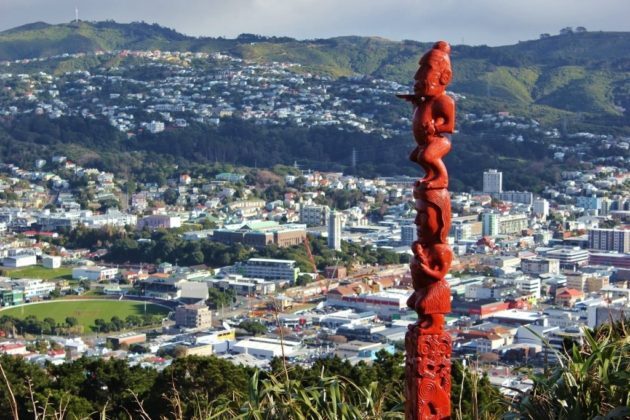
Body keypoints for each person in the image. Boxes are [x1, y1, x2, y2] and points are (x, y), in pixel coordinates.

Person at [398, 41, 455, 190]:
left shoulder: (444, 101)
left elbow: (449, 126)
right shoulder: (425, 102)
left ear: (445, 77)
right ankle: (431, 176)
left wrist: (435, 127)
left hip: (440, 141)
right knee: (416, 157)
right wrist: (415, 103)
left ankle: (442, 179)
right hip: (426, 141)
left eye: (426, 69)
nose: (417, 77)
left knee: (427, 156)